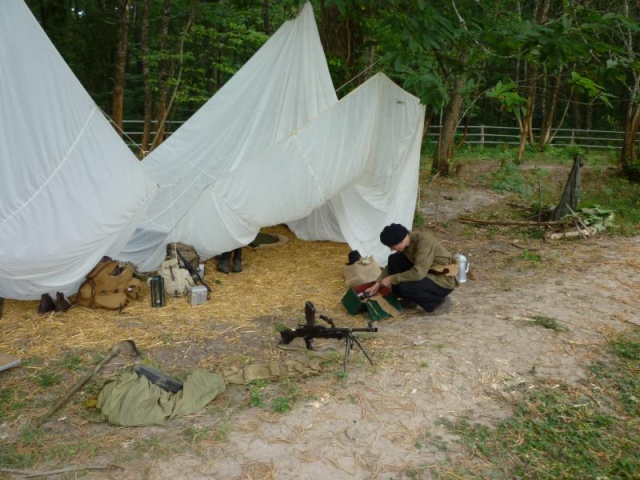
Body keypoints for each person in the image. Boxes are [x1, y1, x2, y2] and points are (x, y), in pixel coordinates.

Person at [365, 223, 458, 315]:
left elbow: (418, 273)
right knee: (394, 259)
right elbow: (390, 266)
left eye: (392, 246)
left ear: (400, 241)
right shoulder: (407, 241)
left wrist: (392, 278)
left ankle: (439, 302)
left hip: (442, 280)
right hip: (426, 272)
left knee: (406, 286)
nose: (391, 249)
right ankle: (409, 299)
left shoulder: (424, 242)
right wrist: (377, 283)